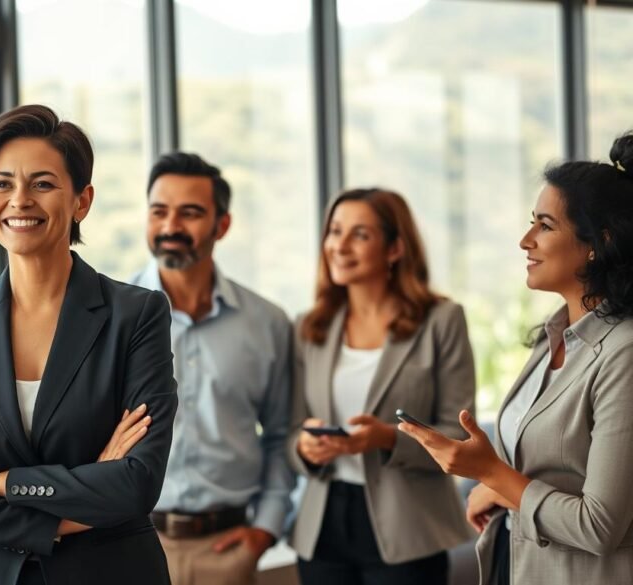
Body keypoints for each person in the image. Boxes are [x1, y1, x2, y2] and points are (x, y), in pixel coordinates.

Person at [0, 104, 177, 585]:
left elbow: (136, 482)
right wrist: (64, 514)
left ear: (81, 201)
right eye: (2, 183)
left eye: (43, 184)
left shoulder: (136, 315)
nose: (19, 200)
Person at [400, 134, 633, 585]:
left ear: (599, 242)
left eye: (545, 226)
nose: (526, 240)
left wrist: (493, 475)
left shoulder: (624, 352)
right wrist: (497, 486)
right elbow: (542, 472)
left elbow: (599, 525)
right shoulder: (552, 337)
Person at [288, 188, 475, 585]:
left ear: (394, 249)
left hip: (408, 527)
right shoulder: (310, 326)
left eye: (360, 235)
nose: (339, 246)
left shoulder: (441, 320)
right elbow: (288, 432)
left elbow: (459, 436)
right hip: (324, 526)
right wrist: (304, 447)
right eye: (334, 232)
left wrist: (387, 438)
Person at [128, 152, 294, 585]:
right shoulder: (108, 317)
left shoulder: (268, 324)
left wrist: (266, 529)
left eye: (191, 213)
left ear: (222, 225)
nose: (170, 227)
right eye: (159, 211)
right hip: (128, 541)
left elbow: (281, 434)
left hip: (228, 551)